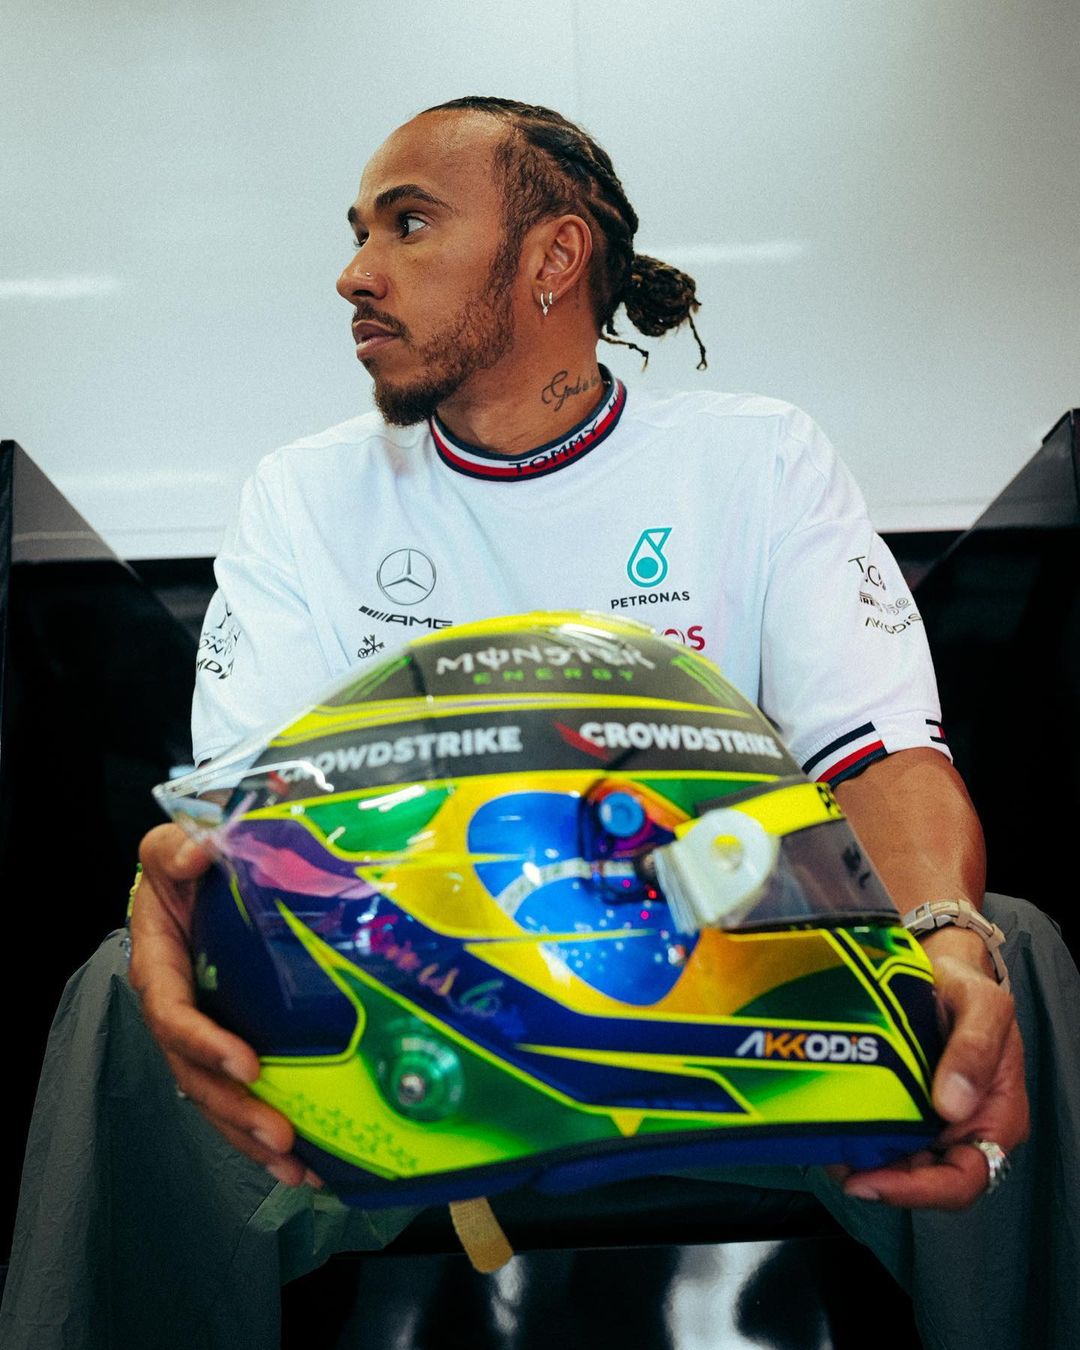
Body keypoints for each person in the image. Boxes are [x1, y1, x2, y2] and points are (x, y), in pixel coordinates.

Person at [121, 97, 1060, 1342]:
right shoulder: (303, 493)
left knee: (1010, 951)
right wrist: (176, 895)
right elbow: (238, 822)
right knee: (123, 990)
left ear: (554, 256)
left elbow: (880, 757)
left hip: (734, 979)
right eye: (359, 233)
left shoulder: (757, 458)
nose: (356, 273)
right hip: (418, 996)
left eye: (409, 224)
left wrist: (947, 933)